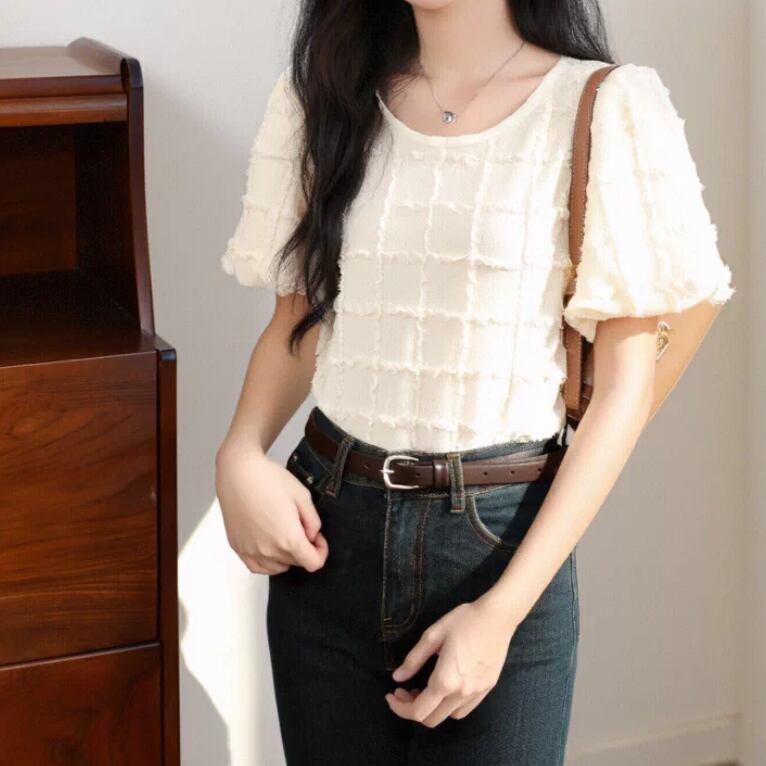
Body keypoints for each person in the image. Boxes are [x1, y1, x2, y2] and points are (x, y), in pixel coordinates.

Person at [214, 1, 736, 763]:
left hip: (498, 541)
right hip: (328, 530)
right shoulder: (323, 96)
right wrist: (238, 455)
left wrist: (501, 613)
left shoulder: (605, 105)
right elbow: (298, 320)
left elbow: (625, 393)